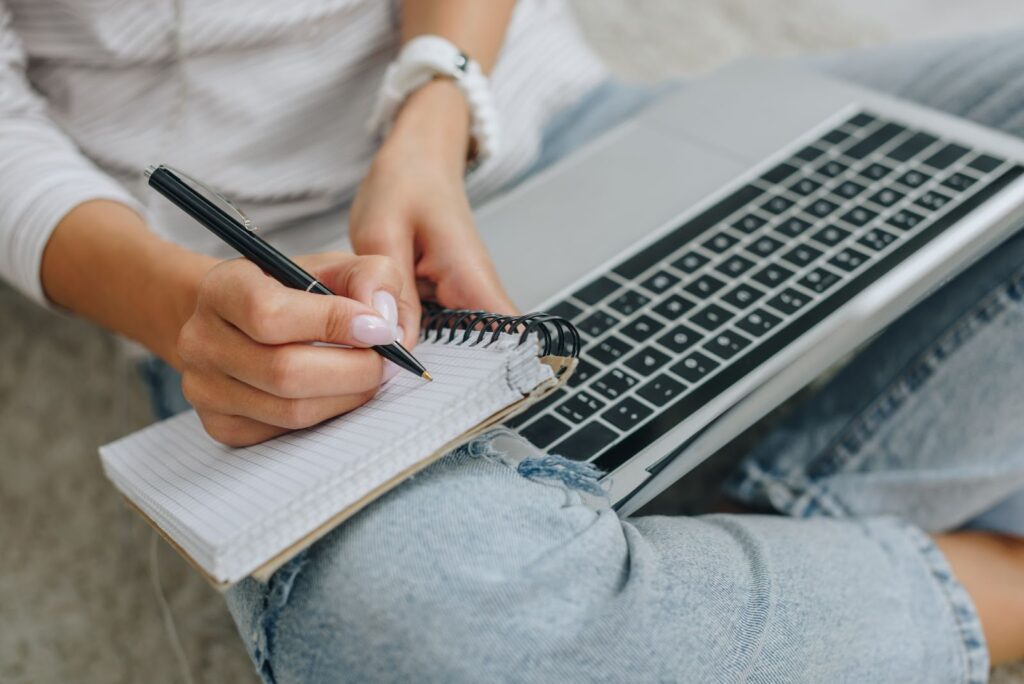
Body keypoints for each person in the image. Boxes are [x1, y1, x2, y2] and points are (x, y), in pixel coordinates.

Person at [2, 1, 1022, 681]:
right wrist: (184, 308)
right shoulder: (226, 307)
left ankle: (720, 564)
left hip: (558, 122)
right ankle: (985, 583)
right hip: (259, 294)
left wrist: (436, 112)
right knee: (410, 624)